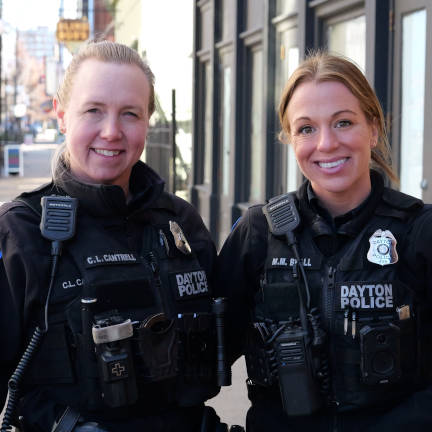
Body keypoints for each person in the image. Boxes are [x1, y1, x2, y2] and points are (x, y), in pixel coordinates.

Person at [0, 40, 227, 432]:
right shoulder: (21, 233)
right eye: (93, 110)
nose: (111, 131)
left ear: (148, 120)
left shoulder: (181, 224)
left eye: (130, 114)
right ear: (61, 114)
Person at [215, 51, 432, 431]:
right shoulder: (259, 234)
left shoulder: (419, 231)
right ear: (289, 139)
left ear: (374, 128)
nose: (326, 143)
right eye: (306, 128)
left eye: (343, 122)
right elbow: (196, 363)